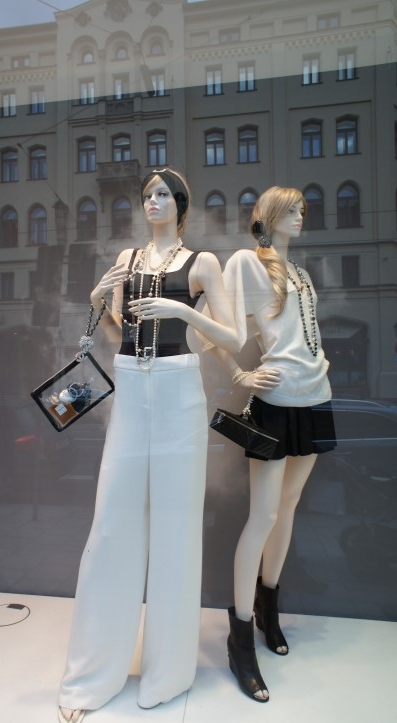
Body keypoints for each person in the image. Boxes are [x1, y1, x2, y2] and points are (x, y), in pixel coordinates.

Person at [58, 167, 240, 723]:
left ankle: (167, 673)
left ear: (180, 203)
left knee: (175, 529)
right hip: (133, 388)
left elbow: (233, 336)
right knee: (112, 525)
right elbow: (118, 331)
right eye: (147, 195)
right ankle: (93, 673)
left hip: (179, 389)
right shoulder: (127, 260)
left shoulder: (202, 263)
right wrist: (99, 299)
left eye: (163, 194)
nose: (152, 202)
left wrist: (182, 310)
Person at [213, 186, 335, 703]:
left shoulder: (302, 274)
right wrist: (240, 373)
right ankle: (240, 637)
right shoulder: (247, 263)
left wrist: (319, 362)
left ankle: (268, 609)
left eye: (304, 210)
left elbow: (308, 335)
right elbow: (219, 331)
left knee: (287, 509)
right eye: (292, 210)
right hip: (276, 400)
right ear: (268, 215)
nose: (301, 216)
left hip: (316, 396)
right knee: (262, 515)